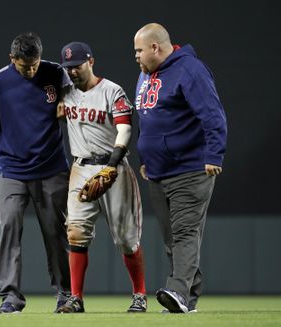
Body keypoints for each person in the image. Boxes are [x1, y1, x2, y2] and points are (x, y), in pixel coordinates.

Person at [0, 32, 71, 314]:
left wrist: (67, 100)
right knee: (10, 228)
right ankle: (10, 296)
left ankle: (65, 294)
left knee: (56, 233)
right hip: (12, 170)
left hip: (51, 169)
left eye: (35, 64)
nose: (32, 70)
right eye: (26, 66)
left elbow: (76, 98)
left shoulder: (56, 73)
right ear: (12, 59)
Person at [133, 23, 227, 313]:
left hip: (190, 168)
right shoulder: (145, 75)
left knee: (185, 233)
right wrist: (148, 157)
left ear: (155, 48)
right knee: (172, 239)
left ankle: (178, 292)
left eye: (138, 50)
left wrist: (214, 154)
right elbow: (149, 120)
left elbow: (213, 115)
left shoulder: (190, 70)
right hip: (159, 172)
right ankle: (188, 295)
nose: (135, 55)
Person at [55, 42, 147, 313]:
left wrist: (113, 165)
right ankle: (76, 298)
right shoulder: (66, 94)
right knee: (75, 232)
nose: (72, 72)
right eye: (68, 67)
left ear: (91, 61)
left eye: (77, 66)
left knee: (126, 238)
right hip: (80, 167)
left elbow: (125, 130)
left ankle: (140, 294)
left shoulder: (112, 90)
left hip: (113, 167)